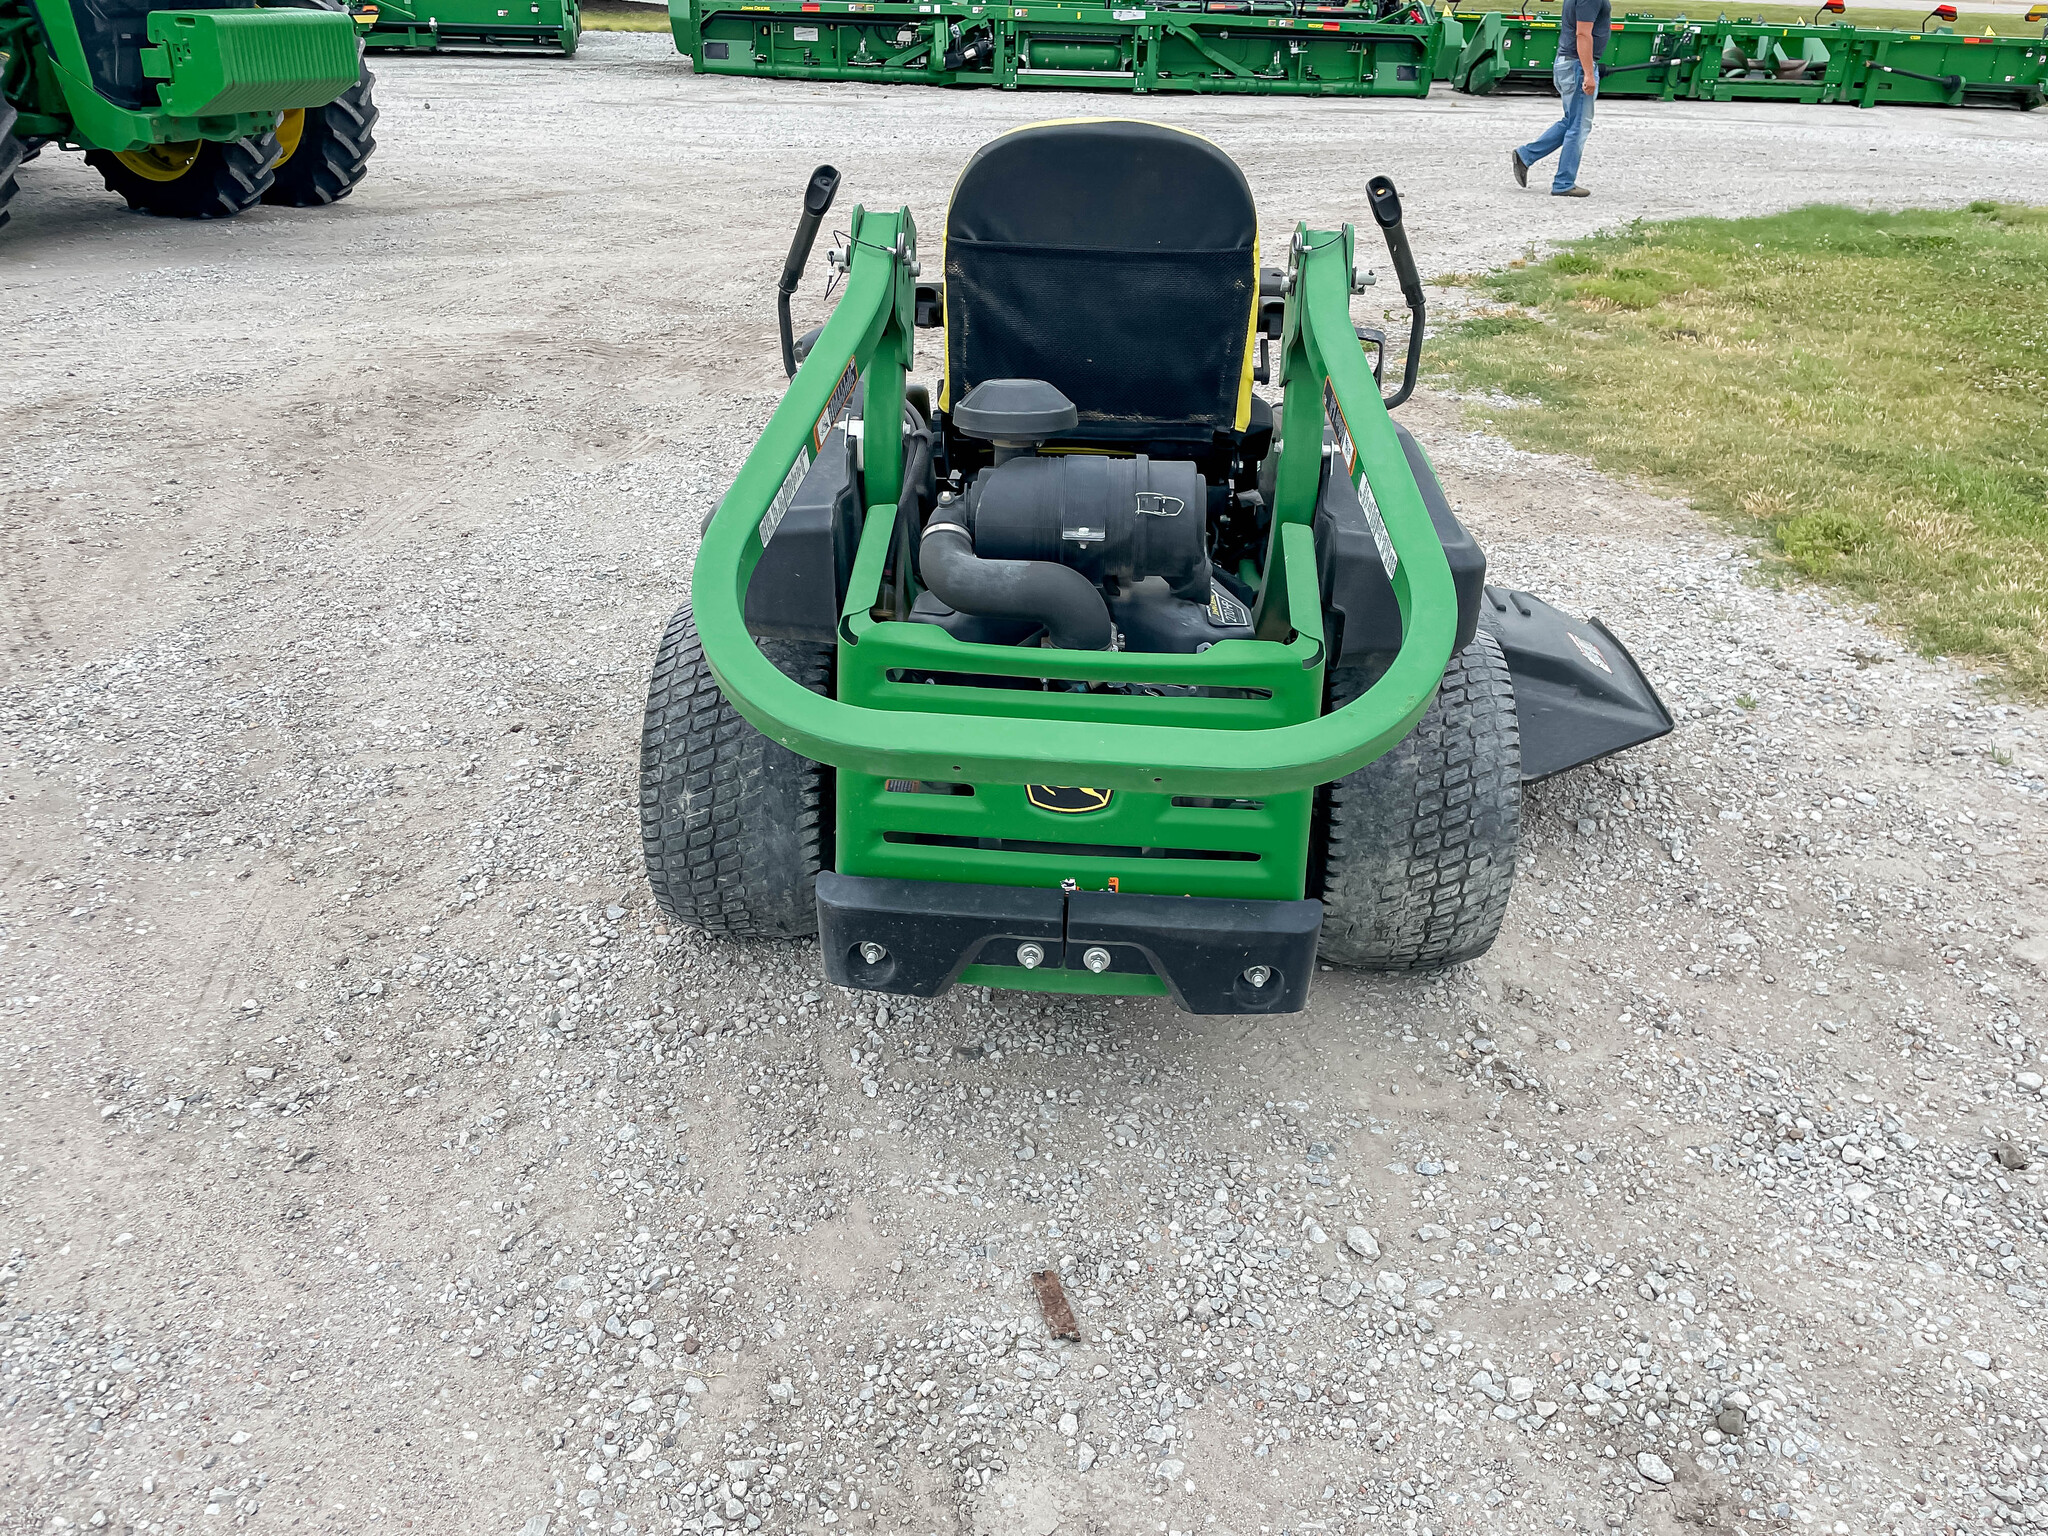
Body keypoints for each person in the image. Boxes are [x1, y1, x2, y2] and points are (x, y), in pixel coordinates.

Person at [1509, 0, 1609, 198]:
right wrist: (1588, 73)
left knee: (1571, 121)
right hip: (1577, 66)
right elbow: (1582, 33)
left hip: (1568, 62)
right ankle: (1563, 183)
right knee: (1579, 126)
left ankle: (1526, 155)